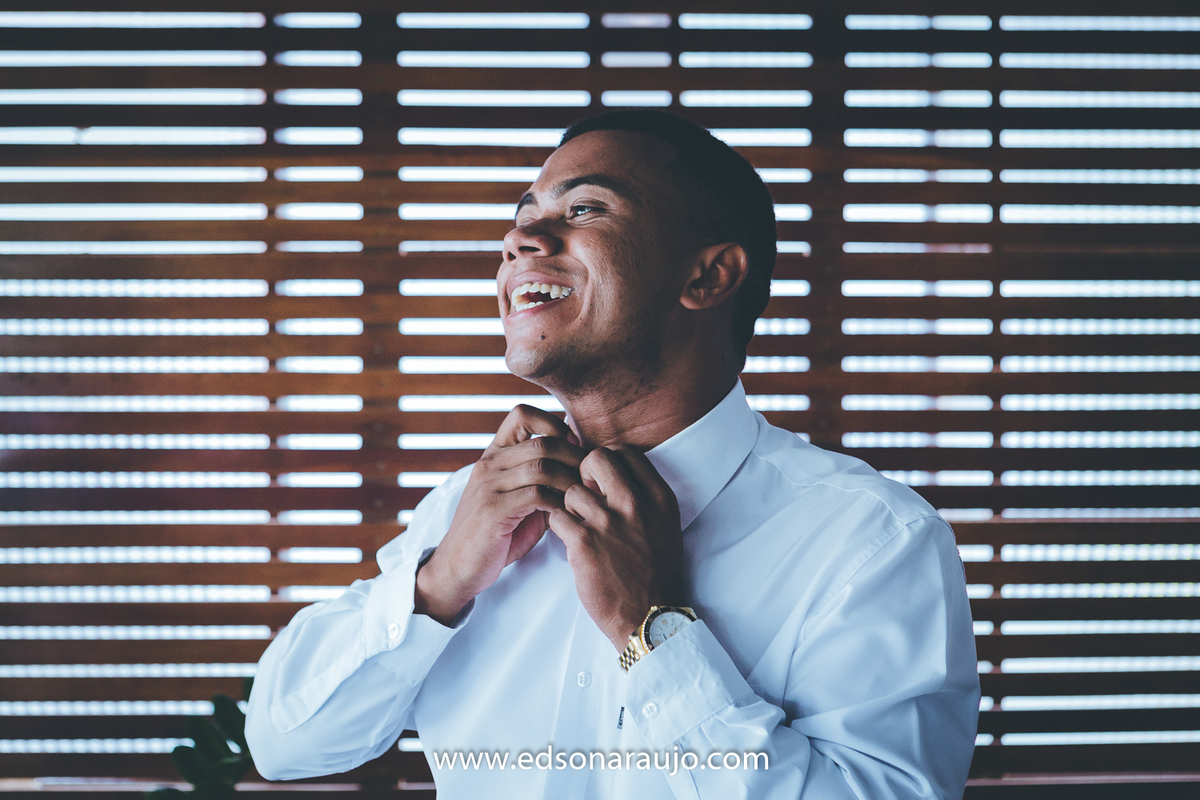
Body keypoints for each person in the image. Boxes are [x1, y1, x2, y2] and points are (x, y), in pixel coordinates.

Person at [245, 110, 980, 799]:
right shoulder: (467, 514)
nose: (522, 239)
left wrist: (652, 632)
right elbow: (283, 744)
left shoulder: (873, 541)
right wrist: (436, 586)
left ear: (708, 276)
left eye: (584, 209)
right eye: (523, 217)